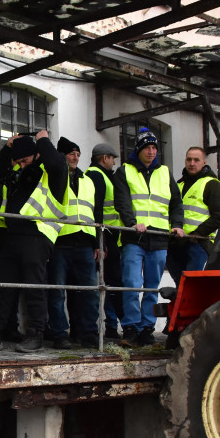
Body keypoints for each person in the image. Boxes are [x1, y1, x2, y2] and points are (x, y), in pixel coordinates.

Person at [0, 131, 67, 352]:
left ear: (37, 155)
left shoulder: (52, 172)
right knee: (4, 286)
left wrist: (43, 140)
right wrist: (7, 150)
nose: (21, 166)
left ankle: (36, 335)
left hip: (38, 234)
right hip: (13, 234)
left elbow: (57, 163)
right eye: (18, 162)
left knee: (34, 287)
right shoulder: (20, 175)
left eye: (25, 161)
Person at [113, 128, 184, 347]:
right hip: (135, 237)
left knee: (153, 286)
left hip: (159, 237)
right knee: (132, 284)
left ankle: (147, 329)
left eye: (154, 148)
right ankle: (131, 328)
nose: (152, 152)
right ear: (139, 149)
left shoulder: (164, 172)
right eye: (147, 148)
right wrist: (132, 223)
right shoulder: (124, 171)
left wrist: (178, 225)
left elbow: (176, 203)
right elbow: (122, 201)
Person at [48, 137, 104, 349]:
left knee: (89, 292)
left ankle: (87, 332)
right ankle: (60, 334)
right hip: (60, 240)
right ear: (61, 155)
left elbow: (96, 212)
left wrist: (99, 243)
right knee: (57, 291)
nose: (75, 157)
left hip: (85, 243)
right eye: (71, 153)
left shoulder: (88, 180)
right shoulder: (54, 177)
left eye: (78, 154)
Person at [166, 146, 220, 286]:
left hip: (197, 243)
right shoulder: (179, 184)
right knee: (181, 285)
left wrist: (197, 235)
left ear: (204, 162)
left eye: (196, 160)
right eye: (189, 159)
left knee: (191, 285)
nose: (192, 163)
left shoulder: (212, 184)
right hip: (175, 244)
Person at [86, 143, 123, 339]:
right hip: (104, 238)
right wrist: (100, 242)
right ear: (104, 158)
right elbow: (97, 209)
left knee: (109, 284)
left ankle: (111, 325)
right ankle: (109, 326)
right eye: (112, 158)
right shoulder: (96, 175)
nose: (114, 162)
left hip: (109, 237)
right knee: (109, 283)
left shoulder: (103, 176)